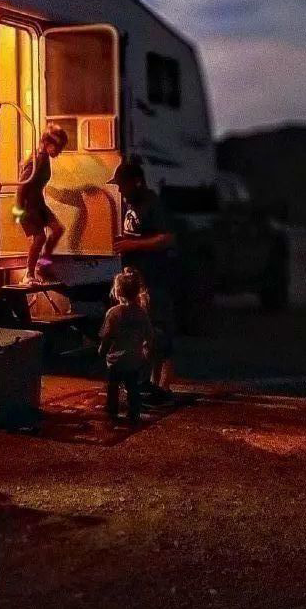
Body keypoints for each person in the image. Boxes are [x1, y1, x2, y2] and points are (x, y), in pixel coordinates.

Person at [110, 156, 177, 402]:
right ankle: (149, 383)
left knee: (159, 331)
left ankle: (164, 386)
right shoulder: (132, 204)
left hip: (155, 278)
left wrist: (133, 244)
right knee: (143, 332)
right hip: (138, 280)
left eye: (122, 185)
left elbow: (166, 238)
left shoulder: (152, 203)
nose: (119, 190)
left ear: (137, 182)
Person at [16, 125, 68, 283]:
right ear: (47, 143)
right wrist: (18, 211)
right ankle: (29, 274)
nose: (59, 152)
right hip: (28, 205)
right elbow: (21, 186)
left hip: (39, 204)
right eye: (58, 148)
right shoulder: (37, 160)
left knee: (58, 229)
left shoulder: (44, 158)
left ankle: (44, 265)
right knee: (40, 238)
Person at [99, 271, 154, 424]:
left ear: (117, 291)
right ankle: (134, 411)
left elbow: (107, 336)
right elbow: (149, 335)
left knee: (113, 385)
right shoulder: (142, 313)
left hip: (116, 360)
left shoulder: (113, 313)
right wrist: (146, 352)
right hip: (134, 359)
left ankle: (112, 410)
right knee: (133, 387)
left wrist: (102, 350)